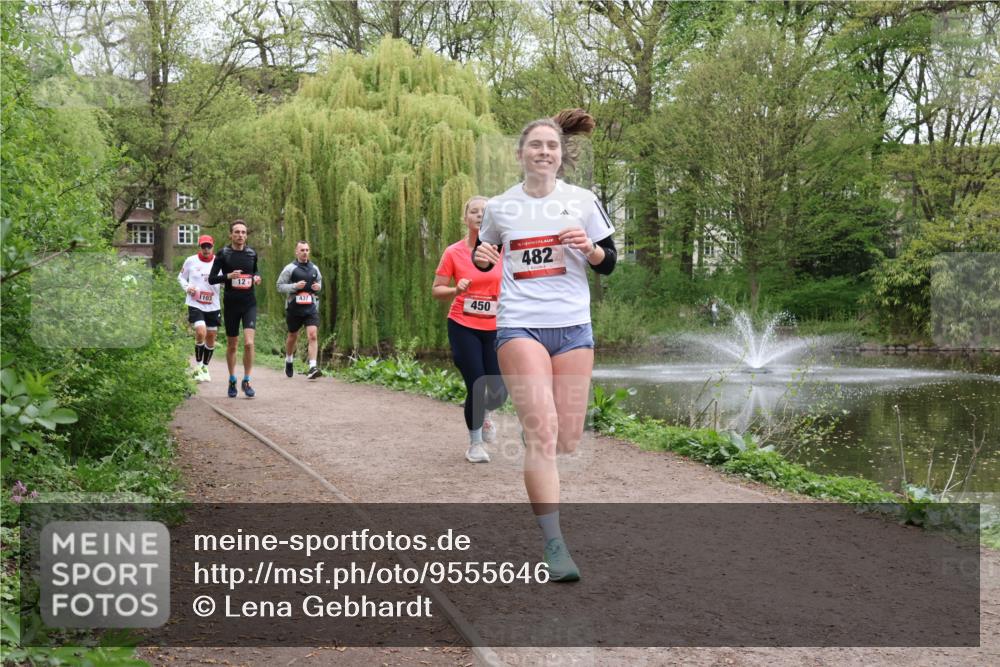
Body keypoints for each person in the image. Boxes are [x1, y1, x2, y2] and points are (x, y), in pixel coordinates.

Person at [473, 109, 617, 582]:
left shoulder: (582, 201)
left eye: (552, 146)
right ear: (520, 155)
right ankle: (554, 545)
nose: (544, 152)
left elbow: (609, 262)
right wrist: (482, 254)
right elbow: (484, 253)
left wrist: (589, 250)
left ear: (562, 156)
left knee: (568, 440)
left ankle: (532, 435)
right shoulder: (499, 207)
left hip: (574, 328)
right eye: (535, 145)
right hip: (521, 327)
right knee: (543, 435)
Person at [432, 196, 508, 463]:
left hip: (497, 328)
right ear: (465, 219)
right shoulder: (454, 252)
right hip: (463, 325)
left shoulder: (504, 251)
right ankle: (475, 444)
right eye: (473, 212)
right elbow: (436, 290)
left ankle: (486, 414)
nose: (479, 215)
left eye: (484, 212)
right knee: (476, 385)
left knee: (499, 392)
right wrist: (456, 289)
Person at [208, 220, 262, 398]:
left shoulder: (252, 253)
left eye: (243, 232)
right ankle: (232, 379)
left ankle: (246, 380)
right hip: (231, 304)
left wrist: (256, 278)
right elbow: (212, 279)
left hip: (249, 303)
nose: (240, 235)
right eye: (237, 232)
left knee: (249, 343)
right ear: (231, 235)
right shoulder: (223, 254)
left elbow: (255, 272)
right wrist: (228, 276)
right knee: (232, 345)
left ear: (246, 235)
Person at [276, 241, 323, 380]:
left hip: (310, 307)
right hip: (294, 307)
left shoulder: (314, 268)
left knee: (313, 335)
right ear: (296, 252)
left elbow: (319, 282)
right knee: (292, 336)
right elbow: (279, 286)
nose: (305, 252)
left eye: (307, 250)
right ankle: (289, 360)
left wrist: (318, 287)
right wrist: (295, 286)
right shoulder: (290, 268)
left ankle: (312, 367)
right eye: (302, 250)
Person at [178, 235, 220, 382]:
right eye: (203, 246)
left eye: (209, 246)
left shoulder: (218, 262)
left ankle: (205, 368)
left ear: (213, 246)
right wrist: (187, 287)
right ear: (199, 247)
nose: (206, 249)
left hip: (213, 304)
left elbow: (225, 279)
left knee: (211, 337)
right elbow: (181, 277)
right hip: (195, 303)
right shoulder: (191, 261)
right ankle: (198, 365)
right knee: (201, 331)